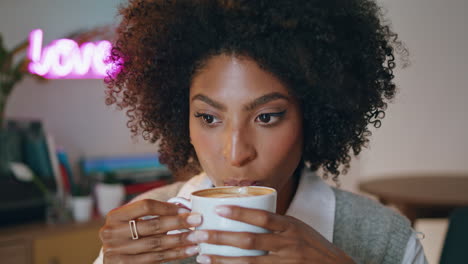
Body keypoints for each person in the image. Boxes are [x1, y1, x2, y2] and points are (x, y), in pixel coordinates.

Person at [95, 0, 428, 263]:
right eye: (209, 118)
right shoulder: (143, 231)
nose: (237, 154)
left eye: (267, 117)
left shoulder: (386, 240)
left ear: (312, 114)